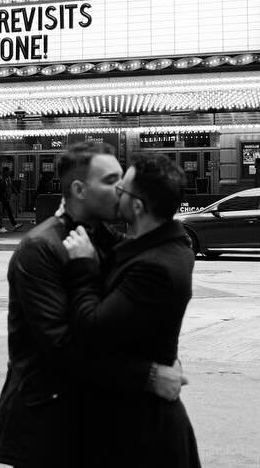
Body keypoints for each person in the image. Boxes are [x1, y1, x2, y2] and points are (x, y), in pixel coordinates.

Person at [0, 144, 182, 468]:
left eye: (123, 179)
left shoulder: (103, 238)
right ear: (79, 189)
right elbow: (61, 345)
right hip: (47, 424)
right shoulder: (40, 249)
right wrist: (148, 375)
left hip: (88, 418)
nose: (122, 188)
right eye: (111, 181)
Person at [63, 154, 201, 467]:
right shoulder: (158, 245)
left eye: (121, 188)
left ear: (137, 206)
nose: (116, 194)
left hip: (141, 433)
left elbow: (90, 329)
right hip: (131, 419)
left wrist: (83, 266)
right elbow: (122, 249)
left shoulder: (156, 267)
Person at [0, 165, 20, 234]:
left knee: (5, 210)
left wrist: (16, 192)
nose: (9, 174)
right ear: (4, 172)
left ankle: (12, 224)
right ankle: (0, 227)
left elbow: (11, 185)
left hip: (2, 197)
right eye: (8, 173)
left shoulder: (7, 178)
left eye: (9, 173)